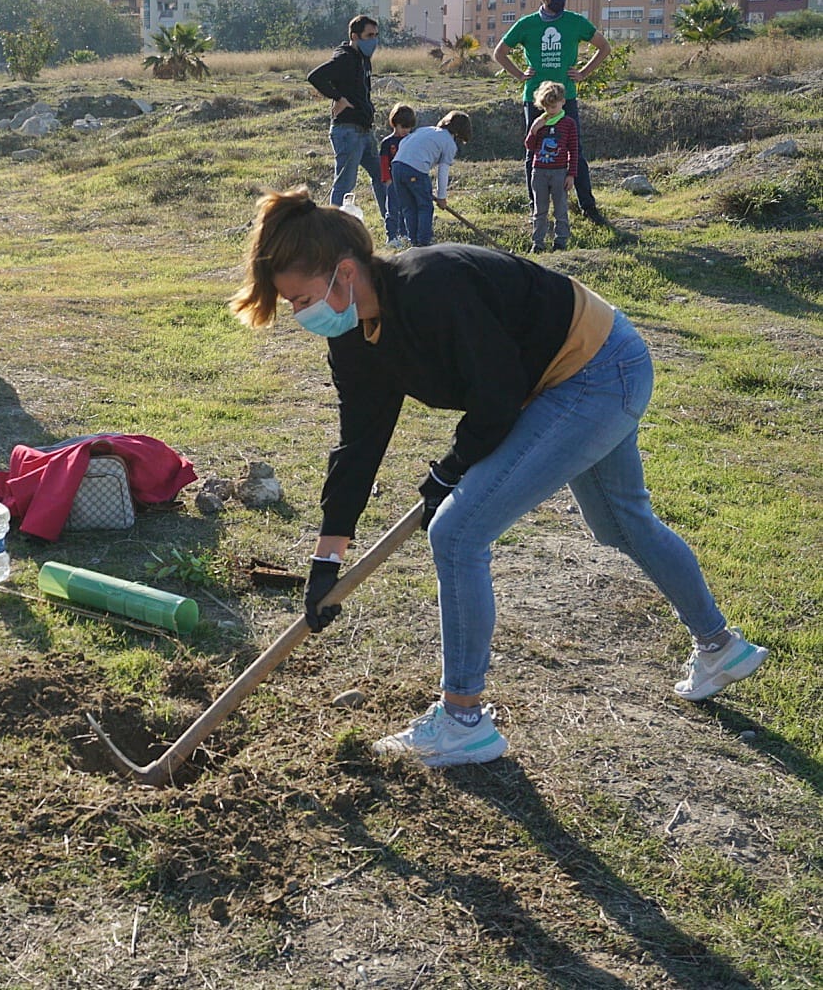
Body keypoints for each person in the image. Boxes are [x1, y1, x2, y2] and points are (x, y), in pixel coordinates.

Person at [229, 188, 768, 767]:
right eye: (291, 303)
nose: (302, 314)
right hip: (562, 377)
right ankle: (720, 648)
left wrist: (448, 473)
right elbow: (359, 443)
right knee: (620, 523)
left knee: (458, 533)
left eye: (304, 297)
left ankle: (463, 722)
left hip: (599, 370)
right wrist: (326, 560)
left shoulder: (433, 287)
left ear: (345, 271)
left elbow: (498, 397)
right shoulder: (353, 337)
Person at [493, 0, 611, 226]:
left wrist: (583, 73)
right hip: (535, 99)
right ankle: (535, 208)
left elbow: (604, 47)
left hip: (566, 97)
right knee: (533, 152)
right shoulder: (526, 24)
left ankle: (588, 207)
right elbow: (499, 53)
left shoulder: (575, 22)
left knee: (574, 151)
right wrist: (519, 75)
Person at [307, 15, 388, 221]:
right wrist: (338, 98)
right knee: (344, 185)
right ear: (355, 36)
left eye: (376, 35)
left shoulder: (363, 60)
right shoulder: (344, 58)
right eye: (369, 35)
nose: (374, 40)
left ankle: (393, 227)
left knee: (383, 178)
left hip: (365, 130)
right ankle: (333, 232)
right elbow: (315, 76)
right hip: (348, 131)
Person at [390, 111, 471, 247]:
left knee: (409, 208)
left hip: (397, 166)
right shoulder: (449, 143)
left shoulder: (426, 130)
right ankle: (423, 243)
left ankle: (414, 242)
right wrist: (441, 197)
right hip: (415, 168)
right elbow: (443, 171)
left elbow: (405, 141)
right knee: (425, 207)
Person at [524, 81, 579, 253]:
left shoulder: (568, 123)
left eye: (554, 107)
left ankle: (561, 241)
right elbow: (530, 146)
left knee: (561, 208)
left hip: (559, 172)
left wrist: (571, 174)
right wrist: (533, 131)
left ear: (562, 102)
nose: (550, 111)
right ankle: (538, 242)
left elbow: (574, 149)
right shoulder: (540, 121)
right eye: (547, 107)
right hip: (539, 171)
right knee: (540, 210)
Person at [377, 103, 415, 249]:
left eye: (408, 128)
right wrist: (386, 179)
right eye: (403, 127)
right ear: (395, 124)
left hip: (408, 181)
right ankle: (391, 237)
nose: (406, 131)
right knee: (392, 210)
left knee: (407, 208)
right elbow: (384, 162)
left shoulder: (411, 140)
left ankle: (405, 234)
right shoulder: (387, 142)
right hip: (393, 182)